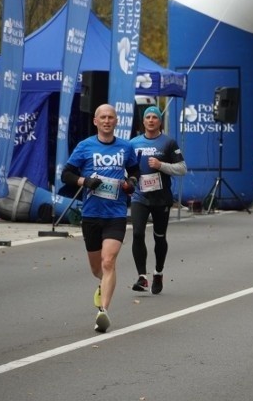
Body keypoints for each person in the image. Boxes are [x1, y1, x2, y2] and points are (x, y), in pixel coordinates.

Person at [62, 104, 140, 332]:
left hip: (115, 213)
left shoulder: (125, 147)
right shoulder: (85, 146)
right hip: (91, 214)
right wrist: (84, 182)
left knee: (109, 261)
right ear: (95, 121)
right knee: (97, 267)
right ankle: (101, 284)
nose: (107, 121)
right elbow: (66, 174)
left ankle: (103, 312)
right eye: (103, 117)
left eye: (111, 117)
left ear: (116, 121)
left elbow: (135, 172)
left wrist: (131, 183)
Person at [129, 106, 187, 294]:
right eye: (148, 117)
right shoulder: (134, 143)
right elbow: (126, 168)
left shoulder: (168, 143)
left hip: (161, 199)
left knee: (159, 237)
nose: (151, 120)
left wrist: (161, 165)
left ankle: (158, 272)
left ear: (160, 121)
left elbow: (182, 169)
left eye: (155, 117)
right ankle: (142, 277)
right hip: (140, 196)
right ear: (143, 121)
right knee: (137, 233)